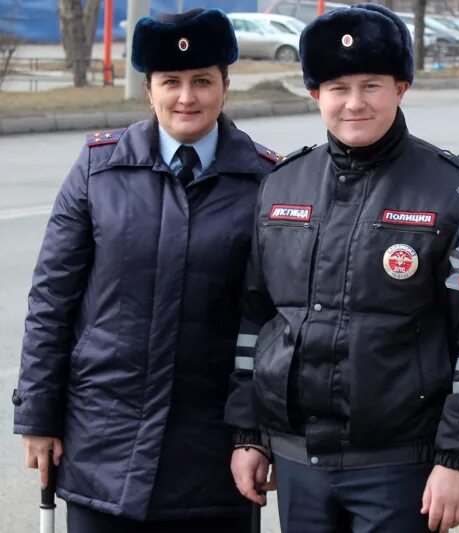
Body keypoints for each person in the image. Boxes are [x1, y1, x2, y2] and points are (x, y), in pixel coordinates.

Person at [224, 4, 459, 532]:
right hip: (299, 464)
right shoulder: (281, 185)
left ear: (402, 88)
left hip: (401, 467)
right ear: (315, 95)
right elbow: (257, 320)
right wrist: (249, 434)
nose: (355, 103)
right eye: (338, 88)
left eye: (372, 85)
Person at [12, 8, 279, 532]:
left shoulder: (266, 181)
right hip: (102, 444)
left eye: (202, 81)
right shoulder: (98, 169)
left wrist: (258, 435)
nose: (187, 97)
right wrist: (38, 418)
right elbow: (51, 301)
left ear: (226, 86)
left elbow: (272, 321)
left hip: (215, 450)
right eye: (171, 82)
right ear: (148, 90)